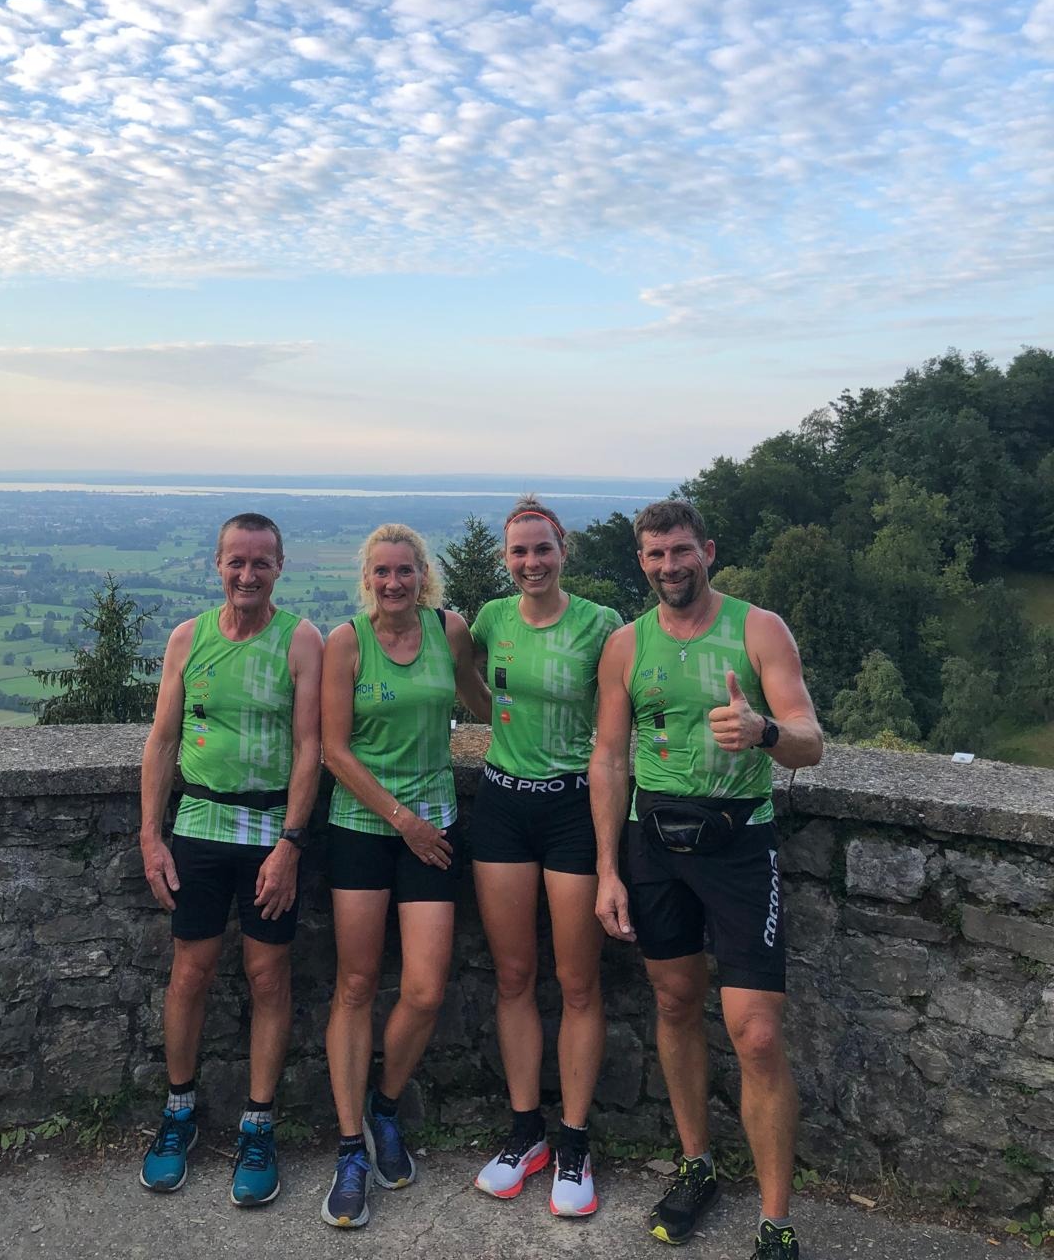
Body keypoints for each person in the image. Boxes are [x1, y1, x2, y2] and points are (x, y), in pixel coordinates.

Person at [590, 499, 823, 1260]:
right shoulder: (626, 645)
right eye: (656, 554)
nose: (670, 566)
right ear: (641, 561)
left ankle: (776, 1221)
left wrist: (762, 730)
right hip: (652, 842)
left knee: (756, 1033)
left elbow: (810, 742)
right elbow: (609, 758)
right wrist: (606, 870)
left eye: (681, 551)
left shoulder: (759, 629)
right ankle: (697, 1165)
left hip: (738, 842)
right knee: (673, 1001)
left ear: (709, 551)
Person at [138, 512, 323, 1207]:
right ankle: (178, 1111)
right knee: (190, 972)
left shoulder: (300, 640)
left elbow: (310, 747)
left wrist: (291, 845)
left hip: (271, 829)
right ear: (217, 564)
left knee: (269, 976)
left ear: (280, 567)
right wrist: (150, 837)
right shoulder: (188, 638)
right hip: (199, 824)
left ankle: (259, 1123)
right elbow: (162, 740)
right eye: (236, 562)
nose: (248, 574)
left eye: (260, 562)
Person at [319, 524, 491, 1229]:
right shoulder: (345, 642)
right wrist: (402, 821)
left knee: (424, 989)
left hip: (434, 827)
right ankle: (350, 1149)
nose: (394, 583)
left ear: (424, 575)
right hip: (364, 828)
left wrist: (554, 721)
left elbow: (483, 704)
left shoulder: (449, 631)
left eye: (405, 571)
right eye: (382, 572)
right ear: (368, 578)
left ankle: (384, 1107)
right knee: (356, 984)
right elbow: (333, 750)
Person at [469, 495, 623, 1218]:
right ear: (506, 559)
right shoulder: (492, 619)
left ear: (564, 551)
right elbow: (464, 676)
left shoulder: (601, 624)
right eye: (519, 551)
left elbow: (616, 729)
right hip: (501, 802)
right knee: (513, 976)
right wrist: (493, 718)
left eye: (542, 549)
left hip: (571, 808)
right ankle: (525, 1132)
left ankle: (574, 1142)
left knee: (578, 981)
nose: (531, 562)